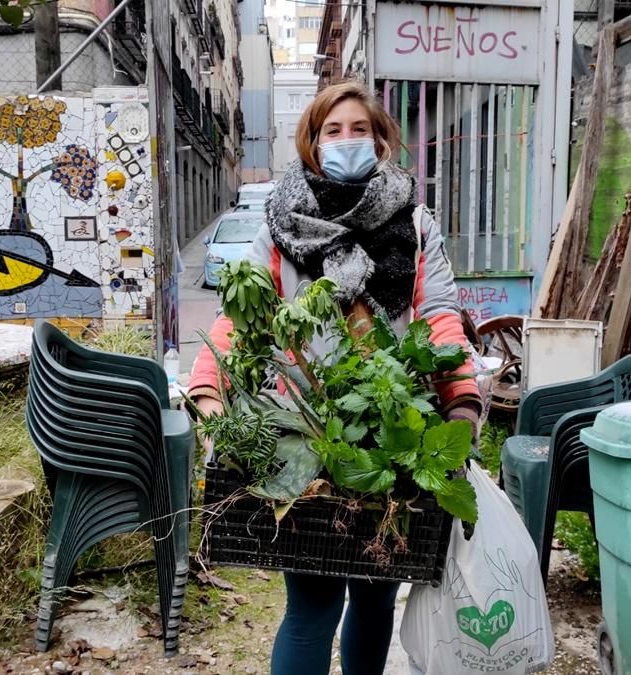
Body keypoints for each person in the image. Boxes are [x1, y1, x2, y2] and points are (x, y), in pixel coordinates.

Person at [188, 81, 482, 675]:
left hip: (394, 432)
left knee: (375, 596)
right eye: (332, 131)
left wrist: (462, 399)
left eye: (359, 130)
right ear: (313, 143)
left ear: (380, 140)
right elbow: (238, 320)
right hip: (306, 435)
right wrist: (207, 387)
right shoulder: (281, 225)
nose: (347, 141)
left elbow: (439, 317)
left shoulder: (416, 225)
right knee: (313, 602)